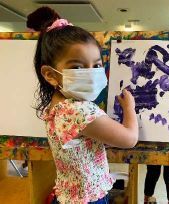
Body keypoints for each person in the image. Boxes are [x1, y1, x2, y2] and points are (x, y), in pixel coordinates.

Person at [31, 13, 138, 203]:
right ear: (50, 74)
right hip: (88, 199)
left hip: (69, 196)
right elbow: (129, 139)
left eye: (96, 65)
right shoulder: (79, 111)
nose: (91, 73)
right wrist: (129, 107)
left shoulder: (58, 105)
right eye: (78, 68)